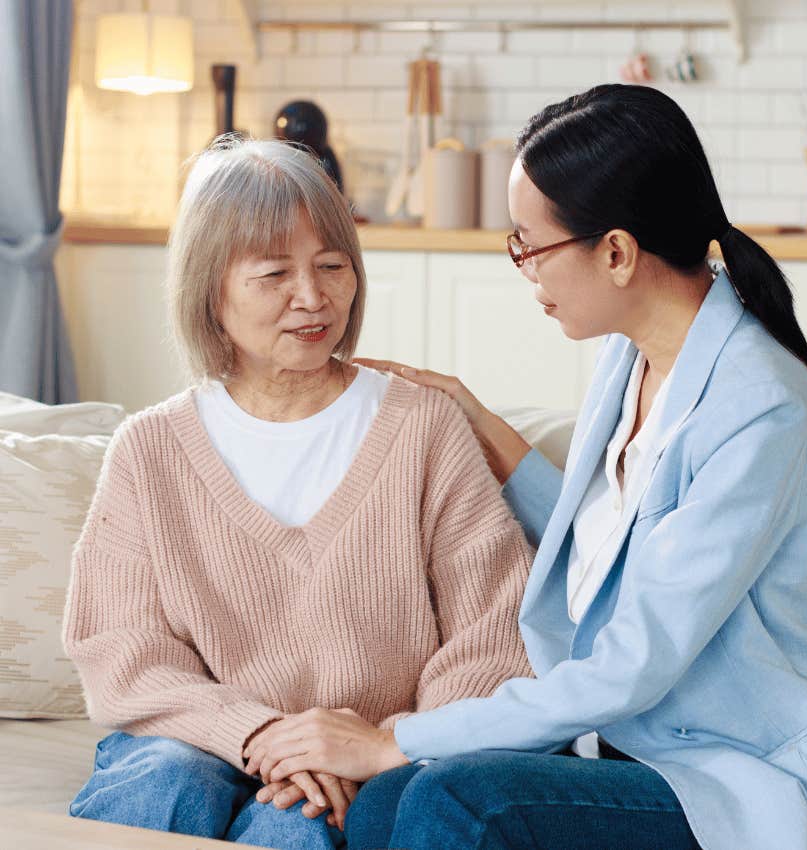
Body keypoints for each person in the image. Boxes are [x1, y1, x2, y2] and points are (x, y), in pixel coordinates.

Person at [246, 85, 807, 850]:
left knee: (453, 801)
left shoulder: (762, 407)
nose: (522, 266)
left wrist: (398, 736)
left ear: (618, 252)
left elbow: (635, 661)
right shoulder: (632, 351)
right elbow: (613, 536)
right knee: (387, 803)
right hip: (629, 743)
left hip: (736, 766)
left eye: (529, 245)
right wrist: (475, 418)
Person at [61, 138, 534, 850]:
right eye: (274, 273)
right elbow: (123, 650)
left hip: (360, 760)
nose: (313, 298)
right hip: (198, 743)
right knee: (164, 781)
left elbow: (493, 634)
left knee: (298, 828)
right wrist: (258, 735)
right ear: (209, 289)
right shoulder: (149, 449)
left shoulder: (421, 426)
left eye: (333, 266)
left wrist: (382, 745)